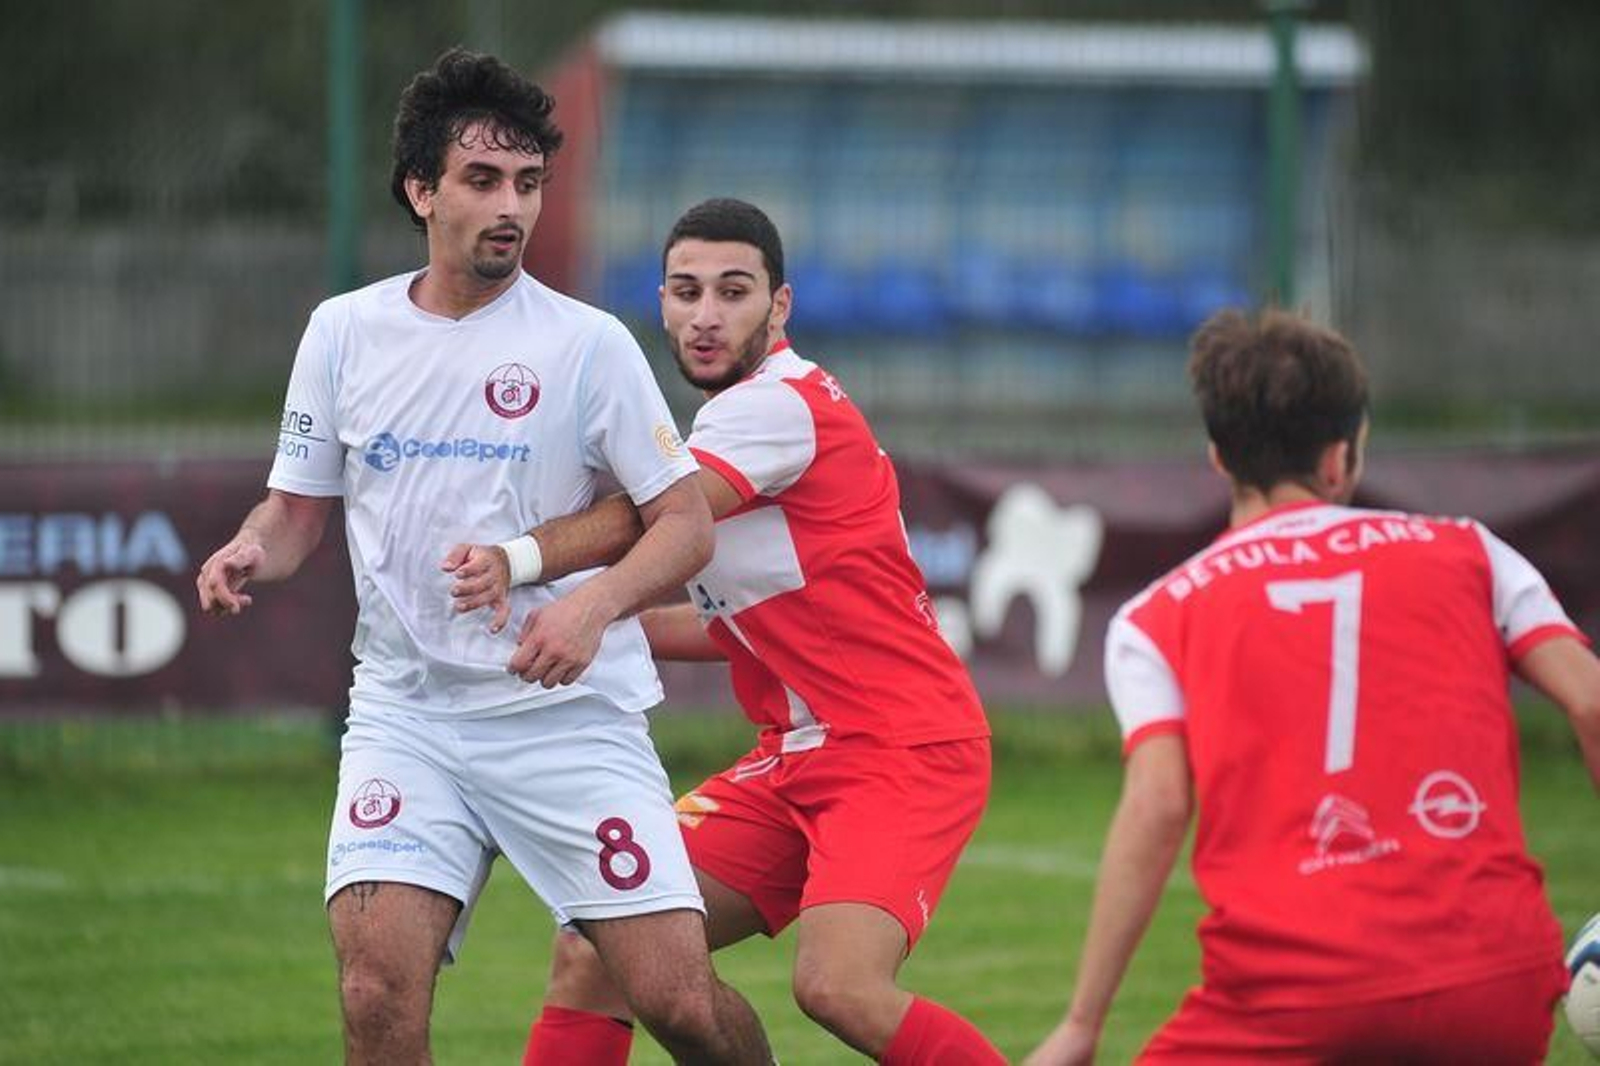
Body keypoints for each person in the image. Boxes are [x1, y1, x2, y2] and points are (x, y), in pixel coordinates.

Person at [195, 50, 770, 1066]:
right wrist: (251, 546)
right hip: (407, 712)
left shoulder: (586, 344)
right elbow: (296, 513)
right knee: (375, 992)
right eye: (482, 180)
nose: (511, 206)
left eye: (528, 183)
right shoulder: (342, 332)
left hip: (565, 718)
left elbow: (682, 522)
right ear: (420, 190)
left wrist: (590, 610)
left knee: (678, 1003)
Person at [445, 198, 1005, 1064]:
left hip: (901, 747)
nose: (706, 316)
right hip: (798, 754)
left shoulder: (773, 407)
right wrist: (550, 620)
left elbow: (652, 519)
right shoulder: (738, 420)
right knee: (600, 951)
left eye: (733, 292)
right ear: (660, 303)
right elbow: (729, 627)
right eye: (685, 291)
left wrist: (527, 565)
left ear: (778, 307)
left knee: (838, 986)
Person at [1025, 308, 1600, 1065]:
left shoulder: (1155, 617)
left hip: (1292, 996)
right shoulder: (1472, 551)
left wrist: (1081, 1024)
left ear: (1219, 458)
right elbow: (1591, 700)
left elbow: (1160, 802)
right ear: (1340, 460)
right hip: (1497, 980)